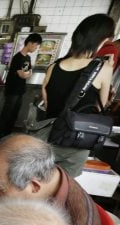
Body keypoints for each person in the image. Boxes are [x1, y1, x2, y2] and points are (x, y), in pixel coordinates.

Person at [41, 14, 114, 177]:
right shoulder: (103, 68)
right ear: (101, 40)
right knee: (63, 189)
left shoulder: (54, 66)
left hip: (47, 137)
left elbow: (46, 103)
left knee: (38, 180)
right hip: (76, 142)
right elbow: (100, 106)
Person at [0, 33, 42, 141]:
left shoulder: (28, 58)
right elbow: (22, 74)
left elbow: (29, 73)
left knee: (14, 114)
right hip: (12, 90)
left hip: (20, 90)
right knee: (7, 113)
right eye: (35, 45)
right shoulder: (17, 57)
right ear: (30, 43)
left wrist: (26, 74)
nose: (36, 48)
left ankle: (7, 135)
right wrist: (26, 74)